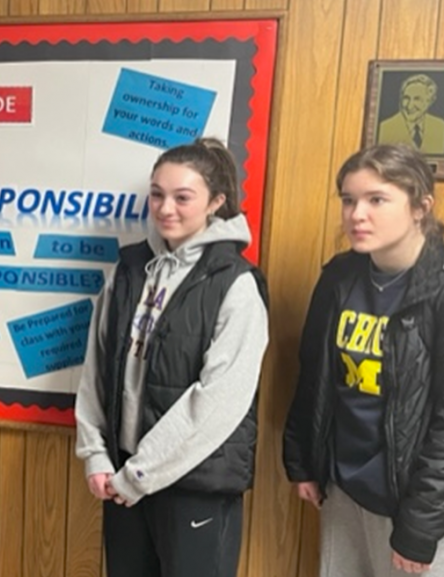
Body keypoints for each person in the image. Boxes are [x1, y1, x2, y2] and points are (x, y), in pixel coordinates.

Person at [75, 138, 269, 577]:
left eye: (183, 197)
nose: (166, 208)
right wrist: (97, 454)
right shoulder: (128, 269)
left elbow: (218, 401)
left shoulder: (236, 284)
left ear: (215, 202)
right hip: (122, 479)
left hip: (192, 486)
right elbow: (97, 368)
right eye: (157, 194)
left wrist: (141, 474)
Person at [284, 144, 444, 576]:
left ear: (419, 207)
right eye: (349, 200)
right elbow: (315, 373)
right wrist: (304, 462)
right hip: (344, 488)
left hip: (414, 501)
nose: (357, 214)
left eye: (377, 200)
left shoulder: (438, 286)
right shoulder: (340, 276)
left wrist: (421, 525)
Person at [378, 74, 444, 155]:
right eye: (406, 98)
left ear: (430, 101)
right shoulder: (384, 128)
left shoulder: (441, 126)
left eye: (417, 99)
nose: (409, 106)